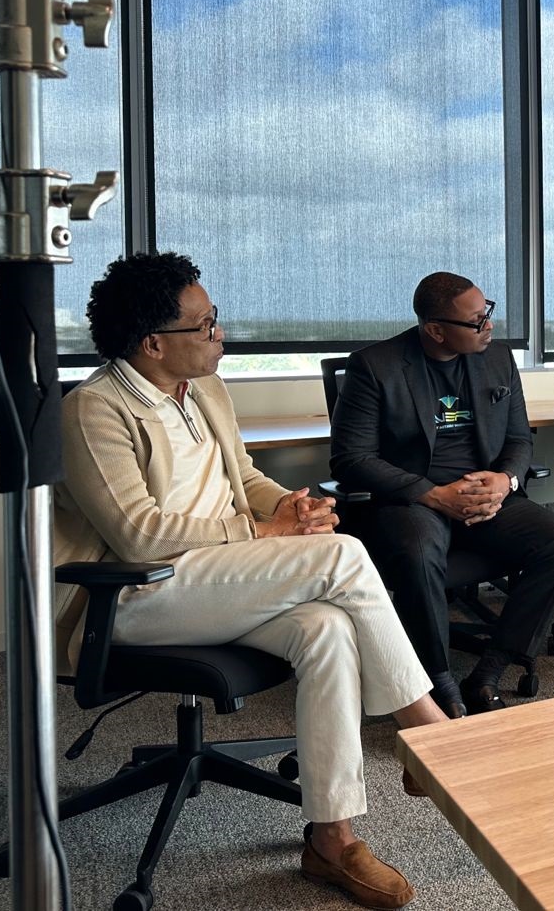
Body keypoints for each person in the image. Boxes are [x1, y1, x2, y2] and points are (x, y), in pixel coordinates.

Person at [55, 253, 440, 910]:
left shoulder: (206, 390)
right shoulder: (93, 410)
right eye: (204, 326)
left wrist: (285, 506)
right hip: (134, 593)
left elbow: (240, 478)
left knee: (327, 627)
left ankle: (331, 837)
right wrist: (267, 536)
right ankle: (425, 731)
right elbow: (139, 534)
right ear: (153, 344)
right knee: (342, 557)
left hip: (220, 577)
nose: (219, 336)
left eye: (216, 320)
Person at [330, 272, 554, 718]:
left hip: (486, 497)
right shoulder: (376, 366)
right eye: (476, 321)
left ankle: (491, 668)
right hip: (415, 500)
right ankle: (436, 683)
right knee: (418, 549)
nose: (488, 326)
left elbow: (520, 438)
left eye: (488, 312)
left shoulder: (498, 359)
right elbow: (351, 459)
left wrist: (505, 480)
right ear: (435, 329)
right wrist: (432, 494)